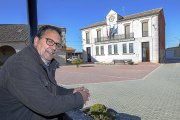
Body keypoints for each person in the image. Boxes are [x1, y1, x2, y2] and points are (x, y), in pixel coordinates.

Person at [0, 25, 90, 120]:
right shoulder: (21, 64)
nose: (54, 47)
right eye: (50, 41)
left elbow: (48, 88)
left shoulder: (42, 62)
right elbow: (47, 105)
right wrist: (79, 98)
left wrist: (71, 91)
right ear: (36, 41)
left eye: (57, 44)